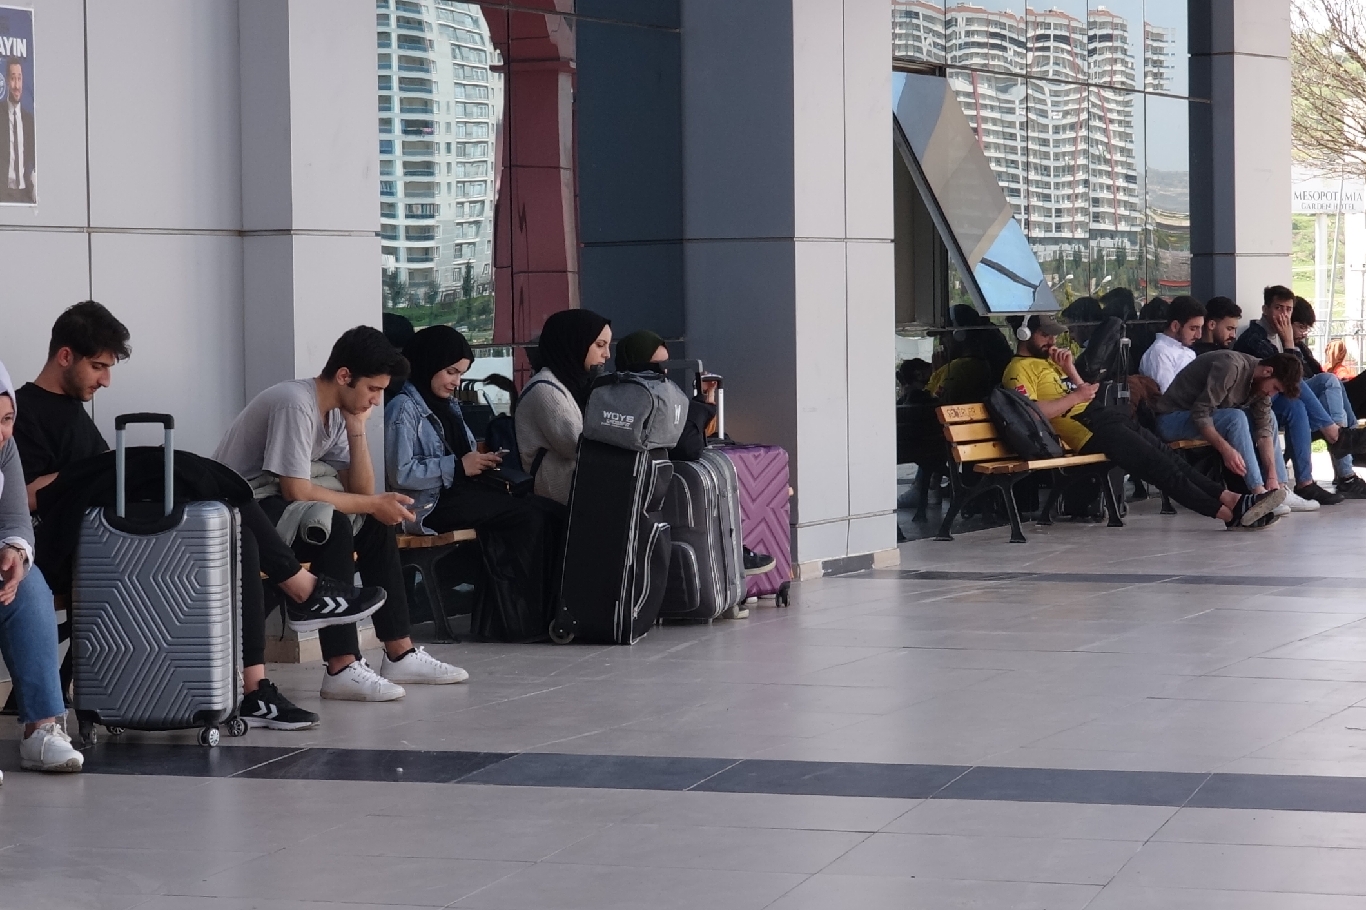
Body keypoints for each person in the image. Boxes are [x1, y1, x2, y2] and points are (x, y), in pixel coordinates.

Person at [15, 302, 374, 730]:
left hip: (111, 537)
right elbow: (21, 499)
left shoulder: (72, 409)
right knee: (180, 468)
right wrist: (88, 475)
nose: (106, 380)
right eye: (98, 367)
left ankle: (255, 689)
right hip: (62, 547)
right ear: (65, 356)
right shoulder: (20, 412)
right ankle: (301, 590)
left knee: (228, 522)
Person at [215, 326, 468, 701]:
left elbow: (362, 492)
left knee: (377, 522)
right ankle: (342, 664)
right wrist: (371, 503)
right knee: (332, 523)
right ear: (345, 376)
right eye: (373, 390)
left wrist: (356, 430)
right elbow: (295, 490)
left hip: (278, 506)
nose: (376, 401)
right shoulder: (295, 402)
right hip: (243, 508)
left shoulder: (337, 412)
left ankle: (399, 652)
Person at [1002, 316, 1281, 530]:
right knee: (1159, 468)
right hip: (1087, 431)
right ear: (1023, 334)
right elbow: (1032, 412)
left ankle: (1232, 498)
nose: (1051, 341)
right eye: (1044, 335)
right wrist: (1077, 394)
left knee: (1169, 458)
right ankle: (1227, 515)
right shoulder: (1018, 369)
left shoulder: (1049, 363)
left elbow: (1083, 393)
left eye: (1052, 335)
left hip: (1102, 417)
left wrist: (1071, 371)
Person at [385, 325, 565, 641]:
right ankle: (518, 617)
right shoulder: (403, 409)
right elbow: (400, 473)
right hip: (428, 506)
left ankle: (535, 610)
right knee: (527, 517)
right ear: (428, 363)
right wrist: (457, 465)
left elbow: (462, 459)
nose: (456, 381)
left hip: (456, 494)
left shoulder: (449, 407)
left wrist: (481, 462)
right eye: (450, 371)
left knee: (549, 511)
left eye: (461, 373)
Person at [613, 330, 777, 578]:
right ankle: (729, 555)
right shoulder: (647, 394)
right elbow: (686, 447)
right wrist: (701, 408)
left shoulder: (616, 391)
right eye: (658, 365)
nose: (663, 372)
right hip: (647, 487)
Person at [0, 360, 83, 775]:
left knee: (29, 584)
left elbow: (15, 518)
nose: (1, 432)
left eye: (8, 419)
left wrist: (14, 552)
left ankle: (41, 729)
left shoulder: (5, 447)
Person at [1234, 287, 1366, 504]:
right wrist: (1288, 344)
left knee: (1323, 387)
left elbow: (1306, 375)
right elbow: (1286, 377)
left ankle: (1308, 480)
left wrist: (1291, 343)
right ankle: (1339, 441)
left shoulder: (1282, 336)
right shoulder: (1255, 338)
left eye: (1288, 310)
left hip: (1284, 399)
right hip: (1259, 400)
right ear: (1265, 309)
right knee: (1321, 383)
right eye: (1278, 308)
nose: (1284, 315)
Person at [1153, 350, 1303, 502]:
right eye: (1275, 388)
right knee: (1235, 417)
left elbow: (1264, 429)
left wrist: (1272, 476)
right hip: (1171, 419)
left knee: (1269, 416)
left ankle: (1278, 489)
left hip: (1203, 418)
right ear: (1267, 371)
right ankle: (1259, 493)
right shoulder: (1231, 367)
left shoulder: (1261, 382)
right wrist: (1226, 450)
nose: (1272, 394)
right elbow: (1200, 413)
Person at [514, 309, 612, 505]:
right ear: (575, 343)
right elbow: (578, 446)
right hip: (558, 496)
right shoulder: (545, 389)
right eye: (599, 345)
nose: (607, 354)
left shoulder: (575, 385)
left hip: (577, 490)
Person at [1139, 295, 1205, 393]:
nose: (1199, 335)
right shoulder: (1160, 353)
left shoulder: (1187, 350)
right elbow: (1168, 397)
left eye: (1201, 328)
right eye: (1193, 329)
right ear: (1175, 326)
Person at [1, 57, 35, 205]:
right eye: (13, 78)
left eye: (19, 79)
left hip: (24, 194)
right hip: (3, 194)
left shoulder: (28, 120)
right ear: (7, 80)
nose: (16, 85)